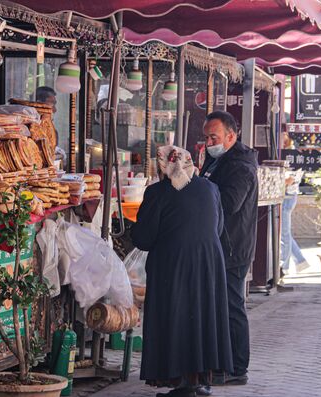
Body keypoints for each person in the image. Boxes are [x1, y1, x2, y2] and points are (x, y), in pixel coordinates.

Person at [132, 145, 233, 397]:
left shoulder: (157, 192)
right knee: (200, 317)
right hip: (208, 263)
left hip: (172, 265)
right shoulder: (210, 188)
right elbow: (217, 227)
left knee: (175, 317)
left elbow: (144, 238)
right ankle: (196, 380)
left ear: (163, 166)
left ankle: (181, 382)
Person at [200, 111, 258, 386]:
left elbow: (230, 203)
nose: (209, 142)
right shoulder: (216, 158)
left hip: (233, 246)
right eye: (207, 137)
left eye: (214, 137)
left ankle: (237, 367)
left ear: (231, 136)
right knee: (219, 305)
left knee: (232, 305)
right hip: (216, 243)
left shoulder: (241, 165)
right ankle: (221, 362)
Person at [280, 132, 309, 278]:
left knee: (283, 234)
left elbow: (290, 179)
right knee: (283, 233)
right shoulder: (286, 154)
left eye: (283, 134)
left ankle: (283, 266)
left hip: (288, 196)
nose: (281, 137)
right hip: (287, 195)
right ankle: (300, 261)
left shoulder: (292, 156)